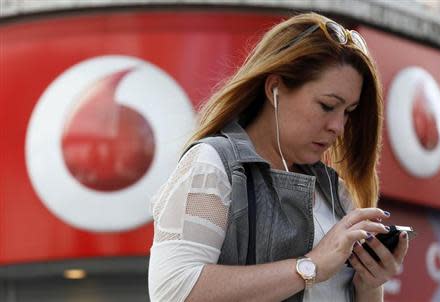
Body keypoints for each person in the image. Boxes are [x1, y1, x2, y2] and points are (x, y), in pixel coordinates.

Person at [148, 12, 409, 302]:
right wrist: (311, 266)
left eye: (348, 111)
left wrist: (370, 283)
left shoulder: (334, 189)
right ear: (275, 88)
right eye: (327, 105)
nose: (338, 126)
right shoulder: (212, 164)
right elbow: (174, 290)